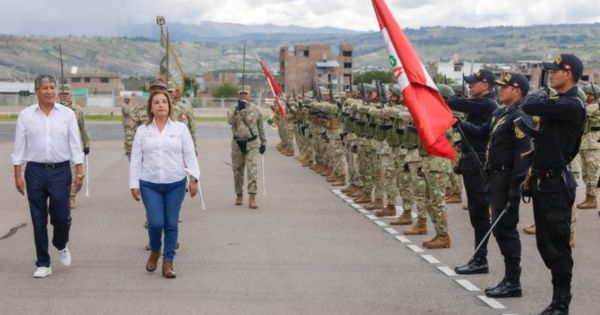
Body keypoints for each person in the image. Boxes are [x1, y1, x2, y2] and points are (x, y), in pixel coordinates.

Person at [458, 73, 532, 298]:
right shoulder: (501, 113)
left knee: (506, 228)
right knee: (499, 228)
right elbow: (482, 133)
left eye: (505, 87)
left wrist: (515, 186)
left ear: (517, 90)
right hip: (494, 176)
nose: (500, 90)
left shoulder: (520, 117)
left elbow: (523, 153)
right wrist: (460, 123)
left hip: (506, 177)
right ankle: (509, 278)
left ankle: (513, 280)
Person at [521, 54, 585, 315]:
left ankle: (562, 303)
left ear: (568, 73)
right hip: (544, 181)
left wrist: (540, 94)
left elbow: (528, 104)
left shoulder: (572, 104)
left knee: (556, 246)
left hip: (556, 185)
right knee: (546, 245)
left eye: (555, 71)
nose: (550, 75)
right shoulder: (559, 103)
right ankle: (557, 300)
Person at [12, 74, 84, 278]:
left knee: (61, 216)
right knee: (38, 219)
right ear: (37, 91)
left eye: (52, 87)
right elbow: (19, 148)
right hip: (35, 171)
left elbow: (75, 145)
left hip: (61, 171)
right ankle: (43, 262)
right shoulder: (26, 115)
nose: (50, 91)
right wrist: (18, 174)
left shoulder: (67, 114)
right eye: (45, 88)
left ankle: (61, 243)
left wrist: (79, 171)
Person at [129, 91, 200, 279]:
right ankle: (155, 251)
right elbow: (136, 159)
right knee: (155, 222)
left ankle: (168, 262)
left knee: (171, 223)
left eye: (164, 102)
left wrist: (194, 179)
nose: (160, 105)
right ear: (151, 108)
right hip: (149, 183)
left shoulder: (180, 129)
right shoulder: (143, 131)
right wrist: (133, 183)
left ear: (169, 105)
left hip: (175, 183)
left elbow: (190, 154)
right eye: (156, 102)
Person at [448, 69, 499, 275]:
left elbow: (454, 103)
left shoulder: (487, 103)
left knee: (479, 214)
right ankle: (479, 257)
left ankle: (481, 259)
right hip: (472, 160)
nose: (470, 86)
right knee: (476, 214)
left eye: (473, 83)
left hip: (479, 161)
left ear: (485, 85)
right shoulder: (482, 103)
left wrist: (459, 121)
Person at [228, 90, 267, 209]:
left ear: (250, 95)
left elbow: (261, 127)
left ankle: (252, 196)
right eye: (241, 93)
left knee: (252, 170)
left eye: (246, 93)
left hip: (252, 143)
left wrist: (263, 142)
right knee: (237, 170)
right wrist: (237, 111)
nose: (243, 95)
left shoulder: (256, 110)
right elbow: (230, 121)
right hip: (237, 143)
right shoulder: (233, 108)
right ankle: (239, 194)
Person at [58, 84, 90, 209]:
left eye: (66, 93)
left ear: (71, 95)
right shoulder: (55, 109)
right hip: (59, 146)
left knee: (73, 173)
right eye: (62, 93)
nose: (64, 96)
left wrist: (86, 144)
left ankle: (71, 197)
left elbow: (83, 128)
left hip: (73, 147)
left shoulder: (77, 111)